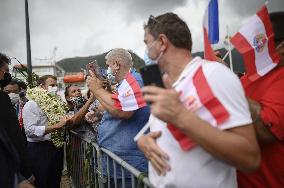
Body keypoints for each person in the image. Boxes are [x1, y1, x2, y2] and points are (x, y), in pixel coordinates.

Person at [136, 13, 260, 188]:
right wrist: (146, 141)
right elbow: (174, 131)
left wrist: (179, 115)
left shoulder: (214, 75)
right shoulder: (170, 85)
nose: (146, 50)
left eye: (147, 42)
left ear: (162, 42)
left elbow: (250, 157)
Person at [87, 48, 150, 187]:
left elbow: (123, 112)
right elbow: (115, 105)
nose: (107, 69)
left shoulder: (134, 81)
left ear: (116, 64)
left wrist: (97, 89)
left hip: (128, 165)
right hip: (119, 164)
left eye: (108, 65)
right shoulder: (125, 84)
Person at [237, 12, 284, 188]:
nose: (255, 47)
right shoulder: (250, 77)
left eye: (261, 41)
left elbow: (266, 131)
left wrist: (229, 86)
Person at [22, 75, 72, 188]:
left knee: (54, 182)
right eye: (52, 85)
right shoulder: (32, 104)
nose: (55, 88)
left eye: (56, 85)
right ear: (42, 86)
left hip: (56, 147)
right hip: (40, 149)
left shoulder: (57, 103)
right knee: (42, 182)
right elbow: (30, 131)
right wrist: (57, 126)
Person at [0, 53, 34, 187]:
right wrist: (27, 172)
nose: (6, 76)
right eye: (5, 71)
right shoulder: (2, 98)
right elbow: (14, 136)